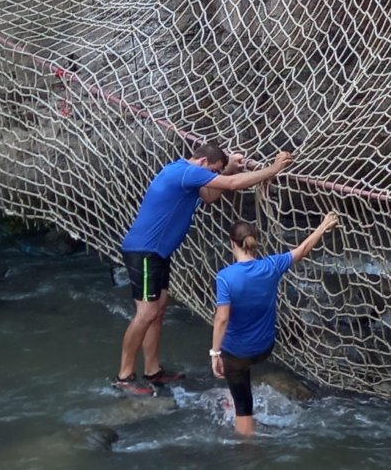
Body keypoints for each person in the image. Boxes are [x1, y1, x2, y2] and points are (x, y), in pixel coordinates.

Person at [114, 143, 293, 394]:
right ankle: (124, 377)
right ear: (202, 163)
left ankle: (153, 371)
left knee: (158, 310)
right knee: (145, 313)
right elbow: (229, 185)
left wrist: (228, 168)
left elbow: (210, 196)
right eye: (214, 171)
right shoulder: (186, 171)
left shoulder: (187, 174)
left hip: (158, 253)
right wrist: (272, 169)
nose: (214, 176)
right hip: (145, 252)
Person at [210, 212, 339, 435]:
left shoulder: (225, 277)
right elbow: (303, 249)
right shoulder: (272, 266)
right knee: (240, 361)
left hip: (238, 354)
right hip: (264, 348)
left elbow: (221, 319)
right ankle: (238, 392)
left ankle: (246, 450)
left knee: (243, 405)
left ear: (232, 243)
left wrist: (214, 354)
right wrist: (323, 226)